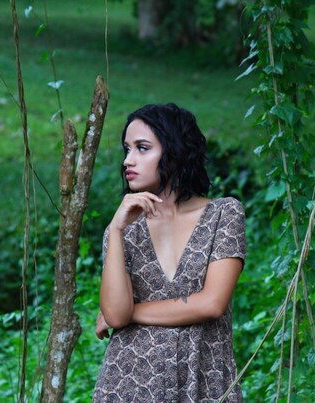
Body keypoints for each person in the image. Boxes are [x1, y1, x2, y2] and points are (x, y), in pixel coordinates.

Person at [92, 103, 246, 402]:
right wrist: (116, 231)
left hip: (203, 380)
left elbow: (212, 303)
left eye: (142, 148)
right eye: (127, 149)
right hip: (128, 382)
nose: (128, 160)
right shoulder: (124, 230)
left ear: (175, 152)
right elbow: (113, 313)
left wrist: (130, 315)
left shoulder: (223, 214)